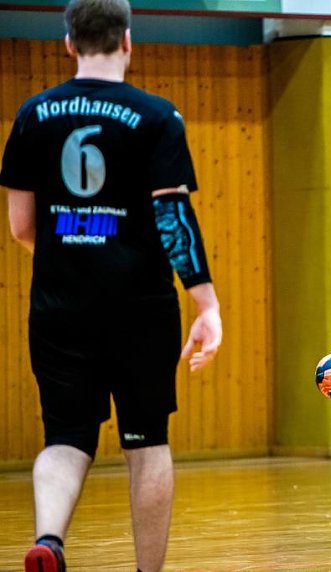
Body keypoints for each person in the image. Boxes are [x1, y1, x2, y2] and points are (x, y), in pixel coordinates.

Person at [0, 1, 223, 570]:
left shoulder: (31, 114)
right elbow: (173, 220)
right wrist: (206, 303)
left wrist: (69, 254)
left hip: (58, 303)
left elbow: (21, 226)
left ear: (68, 43)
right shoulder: (157, 117)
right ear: (128, 40)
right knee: (147, 445)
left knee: (64, 438)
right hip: (140, 306)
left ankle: (49, 540)